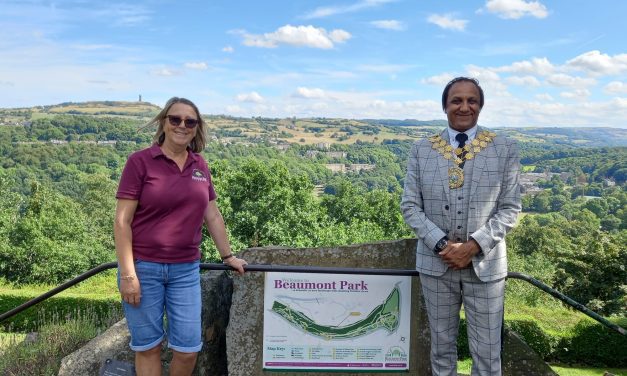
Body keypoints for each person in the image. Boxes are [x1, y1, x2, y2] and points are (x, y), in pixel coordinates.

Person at [114, 97, 247, 376]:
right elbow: (122, 220)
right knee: (148, 347)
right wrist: (128, 275)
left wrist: (228, 255)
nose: (182, 125)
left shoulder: (200, 165)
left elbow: (212, 215)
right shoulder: (140, 162)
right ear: (164, 122)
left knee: (188, 350)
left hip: (185, 270)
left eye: (190, 121)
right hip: (143, 267)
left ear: (197, 128)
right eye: (175, 119)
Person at [401, 77, 521, 376]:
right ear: (445, 106)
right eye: (457, 100)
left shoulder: (505, 149)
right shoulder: (421, 149)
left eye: (472, 100)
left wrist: (473, 246)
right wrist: (443, 246)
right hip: (436, 265)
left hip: (487, 266)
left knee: (489, 351)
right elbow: (410, 207)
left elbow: (510, 209)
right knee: (441, 349)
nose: (464, 106)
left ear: (480, 106)